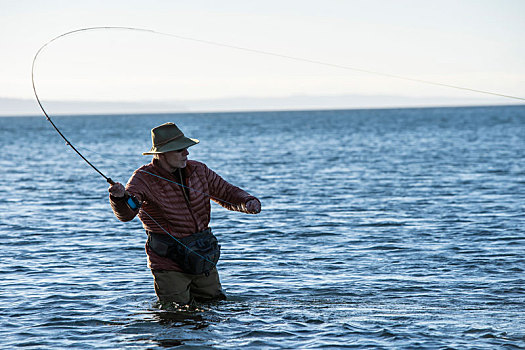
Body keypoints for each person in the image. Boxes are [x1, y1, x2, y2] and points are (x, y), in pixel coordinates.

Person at [108, 122, 261, 305]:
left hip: (202, 255)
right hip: (168, 262)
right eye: (180, 150)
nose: (186, 153)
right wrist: (118, 198)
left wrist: (247, 201)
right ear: (163, 153)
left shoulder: (199, 170)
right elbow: (126, 214)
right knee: (176, 316)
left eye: (186, 149)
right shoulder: (142, 179)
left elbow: (227, 192)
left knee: (214, 307)